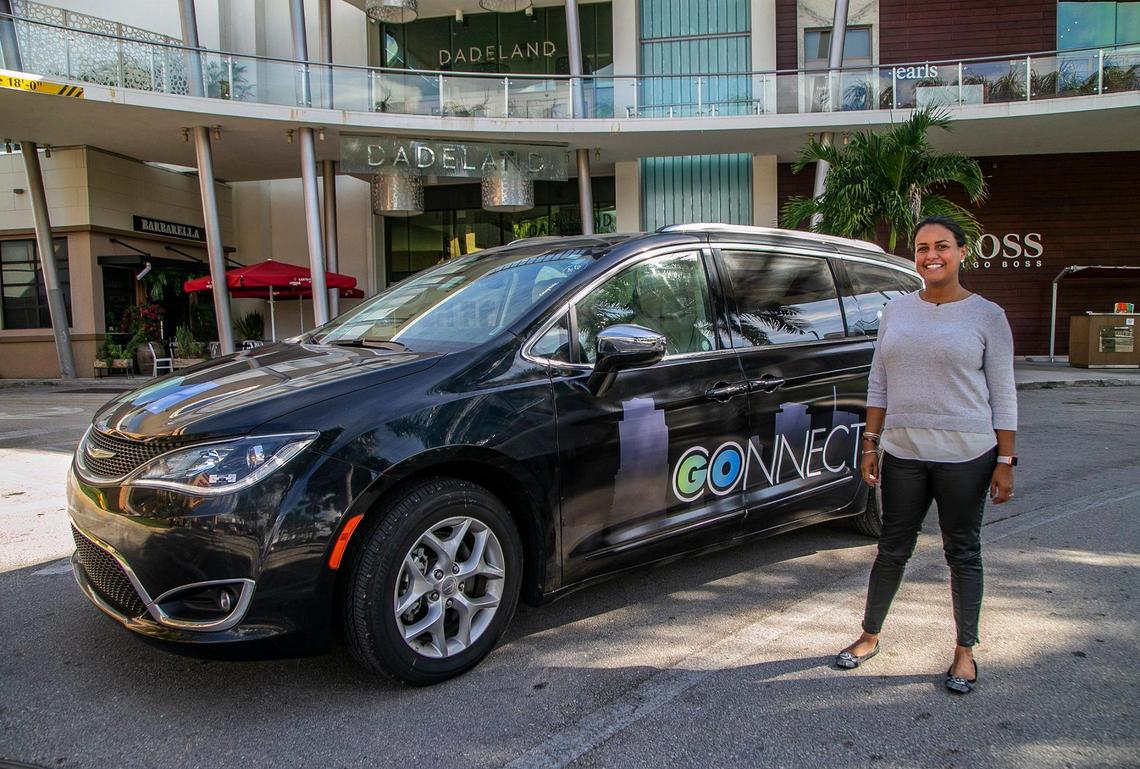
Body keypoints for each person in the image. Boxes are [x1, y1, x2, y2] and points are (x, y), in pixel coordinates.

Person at [834, 216, 1018, 695]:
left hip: (967, 453)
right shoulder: (896, 311)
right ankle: (869, 635)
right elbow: (880, 382)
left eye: (941, 246)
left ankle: (964, 652)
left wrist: (1006, 459)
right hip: (903, 450)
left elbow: (1004, 392)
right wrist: (870, 443)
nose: (930, 255)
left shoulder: (987, 315)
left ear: (961, 252)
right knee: (892, 547)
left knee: (963, 551)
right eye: (921, 248)